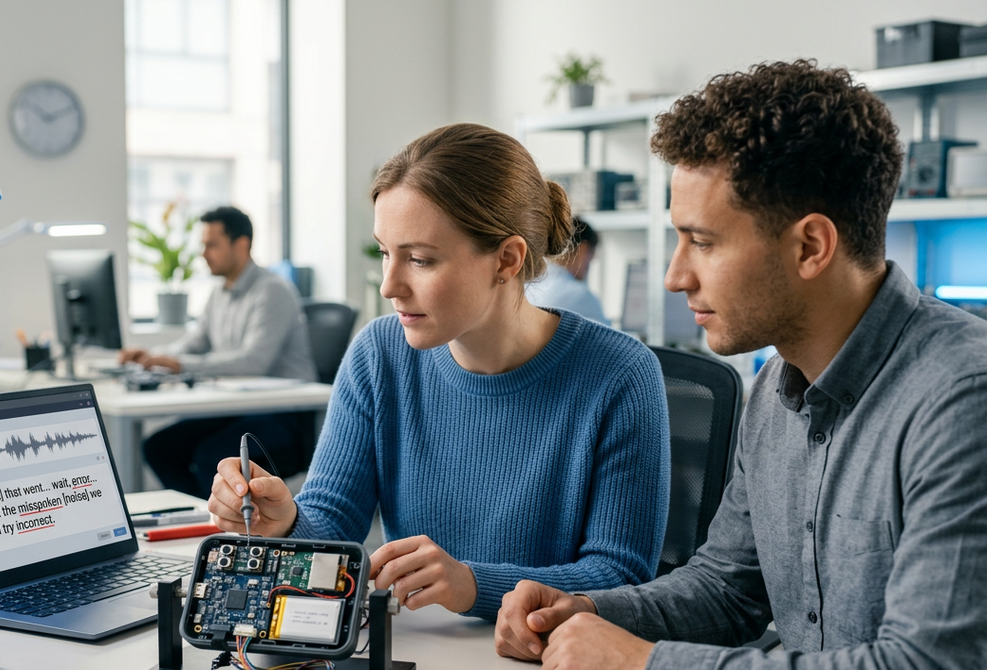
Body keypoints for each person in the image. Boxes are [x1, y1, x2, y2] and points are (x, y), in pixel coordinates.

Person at [494, 61, 987, 670]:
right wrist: (585, 611)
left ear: (811, 246)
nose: (674, 275)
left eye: (704, 241)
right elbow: (728, 589)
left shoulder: (959, 398)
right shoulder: (776, 386)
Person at [208, 123, 670, 621]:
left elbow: (620, 575)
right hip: (420, 664)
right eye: (386, 253)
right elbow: (335, 521)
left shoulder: (621, 375)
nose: (389, 285)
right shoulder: (379, 354)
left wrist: (472, 584)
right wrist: (286, 520)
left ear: (506, 260)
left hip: (546, 668)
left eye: (421, 260)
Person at [120, 206, 318, 497]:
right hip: (236, 408)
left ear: (241, 244)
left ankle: (221, 531)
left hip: (281, 415)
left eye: (211, 245)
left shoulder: (272, 290)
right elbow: (193, 344)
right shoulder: (220, 293)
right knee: (159, 447)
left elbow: (253, 362)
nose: (203, 253)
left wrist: (178, 363)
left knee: (210, 456)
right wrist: (151, 358)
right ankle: (203, 523)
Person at [525, 217, 606, 323]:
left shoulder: (528, 286)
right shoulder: (580, 295)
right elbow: (613, 338)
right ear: (583, 249)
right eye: (592, 254)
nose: (591, 262)